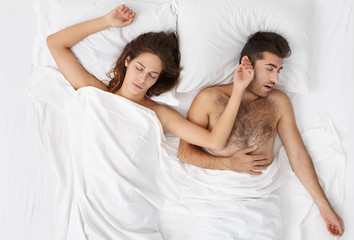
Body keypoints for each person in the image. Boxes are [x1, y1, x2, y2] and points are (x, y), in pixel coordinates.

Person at [178, 31, 345, 237]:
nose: (275, 78)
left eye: (279, 71)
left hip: (260, 203)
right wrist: (228, 164)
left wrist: (324, 207)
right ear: (247, 64)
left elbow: (298, 155)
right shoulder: (209, 98)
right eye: (270, 69)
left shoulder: (278, 102)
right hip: (214, 199)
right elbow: (185, 153)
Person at [46, 5, 258, 152]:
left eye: (152, 75)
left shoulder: (159, 114)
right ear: (127, 61)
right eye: (139, 67)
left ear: (158, 80)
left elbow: (215, 142)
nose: (142, 79)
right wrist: (105, 22)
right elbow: (55, 43)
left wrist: (238, 90)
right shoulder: (96, 92)